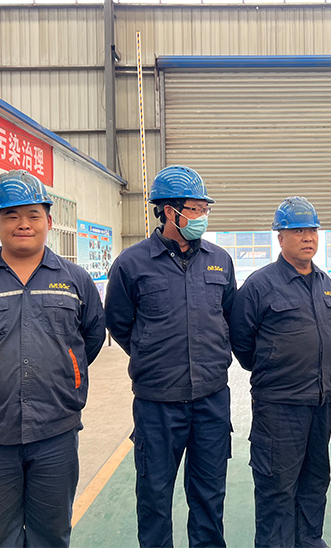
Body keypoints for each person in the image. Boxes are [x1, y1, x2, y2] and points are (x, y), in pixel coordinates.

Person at [0, 170, 106, 547]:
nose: (23, 224)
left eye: (33, 215)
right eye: (11, 215)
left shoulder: (75, 281)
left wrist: (67, 372)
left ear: (49, 221)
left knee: (52, 535)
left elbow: (91, 338)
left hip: (55, 431)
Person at [105, 165, 236, 548]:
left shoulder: (220, 260)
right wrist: (153, 356)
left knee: (209, 496)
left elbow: (230, 315)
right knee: (155, 498)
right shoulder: (132, 264)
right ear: (168, 211)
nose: (203, 216)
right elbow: (120, 323)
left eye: (205, 209)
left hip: (211, 400)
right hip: (157, 404)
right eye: (195, 209)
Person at [229, 197, 331, 548]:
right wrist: (274, 367)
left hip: (321, 404)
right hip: (279, 408)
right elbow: (241, 341)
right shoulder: (260, 285)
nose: (308, 237)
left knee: (315, 482)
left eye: (312, 230)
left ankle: (309, 542)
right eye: (298, 231)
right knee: (277, 487)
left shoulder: (324, 282)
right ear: (280, 237)